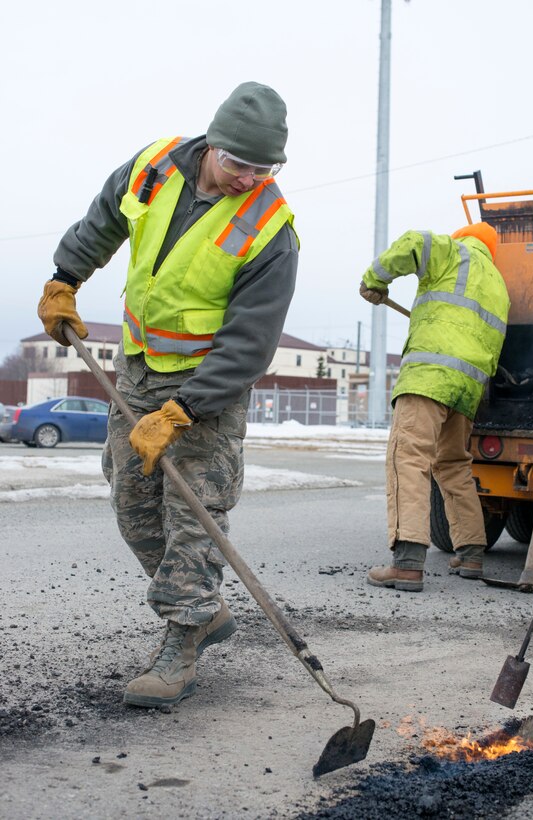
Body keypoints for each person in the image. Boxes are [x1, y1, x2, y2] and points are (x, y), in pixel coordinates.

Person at [37, 82, 299, 706]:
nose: (249, 179)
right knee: (133, 505)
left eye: (264, 169)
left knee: (193, 514)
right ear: (214, 144)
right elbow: (102, 220)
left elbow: (251, 343)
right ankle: (204, 611)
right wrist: (65, 277)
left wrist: (187, 409)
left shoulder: (272, 228)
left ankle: (181, 642)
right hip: (140, 369)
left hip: (208, 386)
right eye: (239, 163)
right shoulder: (153, 167)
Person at [359, 222, 509, 592]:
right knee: (453, 464)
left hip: (429, 375)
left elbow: (415, 242)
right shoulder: (499, 286)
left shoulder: (453, 251)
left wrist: (375, 280)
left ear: (465, 236)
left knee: (407, 456)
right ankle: (471, 552)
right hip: (468, 388)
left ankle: (407, 562)